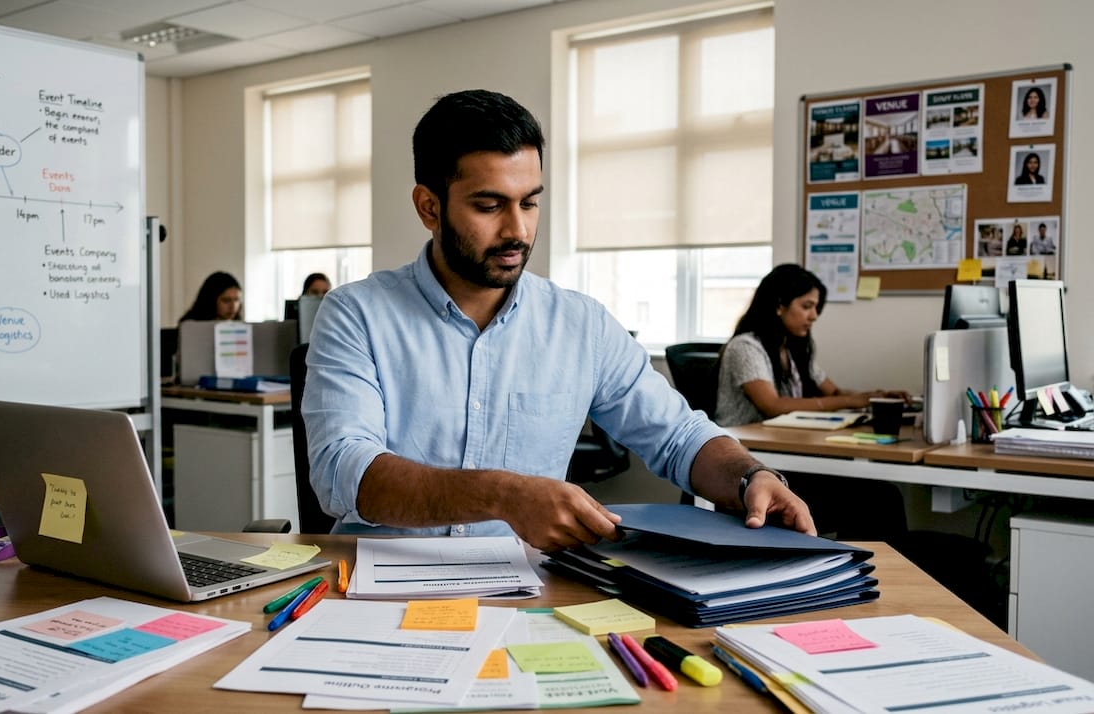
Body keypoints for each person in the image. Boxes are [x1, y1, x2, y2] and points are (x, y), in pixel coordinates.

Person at [302, 89, 814, 552]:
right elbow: (344, 470)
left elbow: (678, 436)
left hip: (531, 588)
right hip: (381, 581)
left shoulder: (579, 324)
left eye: (529, 202)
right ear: (429, 207)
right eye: (489, 206)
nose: (517, 230)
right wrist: (504, 496)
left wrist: (749, 476)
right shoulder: (357, 314)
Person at [714, 264, 909, 541]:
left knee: (880, 496)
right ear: (779, 305)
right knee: (879, 499)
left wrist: (872, 397)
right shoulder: (746, 347)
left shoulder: (794, 347)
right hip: (754, 466)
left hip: (787, 459)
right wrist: (849, 400)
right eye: (806, 306)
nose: (813, 316)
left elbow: (833, 393)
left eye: (816, 308)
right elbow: (772, 406)